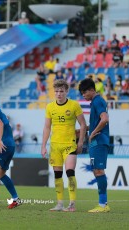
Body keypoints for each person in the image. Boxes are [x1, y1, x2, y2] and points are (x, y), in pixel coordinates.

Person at [41, 79, 86, 212]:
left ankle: (72, 204)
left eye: (61, 91)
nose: (59, 94)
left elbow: (83, 125)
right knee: (57, 175)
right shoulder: (50, 107)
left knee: (70, 172)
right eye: (56, 91)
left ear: (67, 91)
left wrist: (81, 142)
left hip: (69, 144)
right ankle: (59, 204)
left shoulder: (74, 105)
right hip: (55, 145)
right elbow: (47, 127)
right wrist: (43, 145)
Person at [79, 78, 110, 213]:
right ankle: (103, 203)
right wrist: (87, 129)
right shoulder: (95, 102)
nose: (83, 95)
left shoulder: (98, 101)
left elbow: (105, 119)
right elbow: (99, 121)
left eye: (84, 92)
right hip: (96, 141)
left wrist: (93, 133)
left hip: (99, 141)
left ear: (91, 90)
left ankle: (103, 205)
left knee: (98, 170)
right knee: (96, 170)